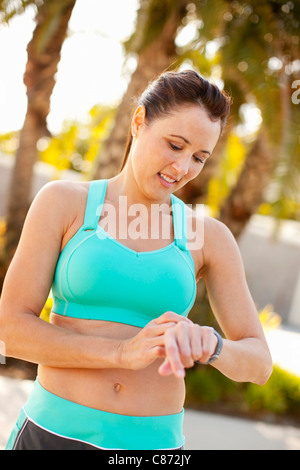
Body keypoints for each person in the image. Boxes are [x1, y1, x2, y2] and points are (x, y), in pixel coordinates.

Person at [0, 69, 272, 450]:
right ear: (139, 121)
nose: (182, 169)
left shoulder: (208, 237)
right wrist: (122, 353)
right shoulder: (65, 203)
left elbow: (259, 364)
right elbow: (10, 331)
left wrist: (211, 344)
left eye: (199, 157)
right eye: (175, 145)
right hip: (52, 434)